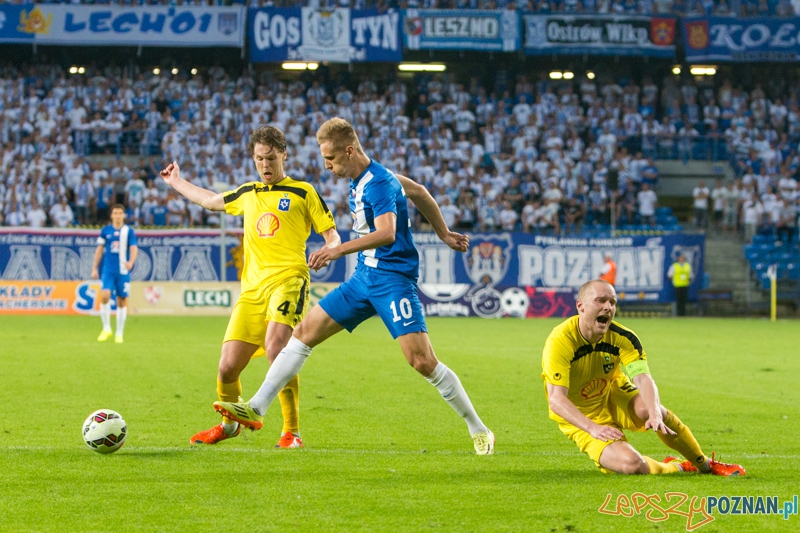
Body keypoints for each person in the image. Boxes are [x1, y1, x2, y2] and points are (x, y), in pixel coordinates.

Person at [213, 118, 495, 455]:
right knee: (302, 333)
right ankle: (257, 406)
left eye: (330, 159)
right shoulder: (366, 176)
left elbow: (387, 233)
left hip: (392, 281)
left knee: (421, 361)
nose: (327, 166)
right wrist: (444, 233)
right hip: (362, 280)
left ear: (349, 150)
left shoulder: (378, 183)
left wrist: (336, 250)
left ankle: (479, 429)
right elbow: (418, 191)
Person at [160, 125, 340, 448]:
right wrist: (176, 182)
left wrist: (330, 249)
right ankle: (230, 426)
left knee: (276, 348)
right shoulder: (247, 193)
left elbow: (331, 233)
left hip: (289, 281)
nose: (265, 166)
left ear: (284, 155)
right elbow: (210, 200)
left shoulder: (303, 192)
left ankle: (292, 432)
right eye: (259, 159)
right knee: (227, 367)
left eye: (270, 158)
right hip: (252, 292)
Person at [541, 279, 745, 476]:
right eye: (600, 300)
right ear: (580, 306)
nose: (608, 307)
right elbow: (556, 400)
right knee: (631, 464)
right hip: (582, 416)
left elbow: (642, 377)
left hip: (613, 393)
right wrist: (592, 428)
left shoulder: (623, 337)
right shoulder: (561, 340)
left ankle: (705, 465)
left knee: (651, 409)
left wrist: (655, 412)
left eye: (612, 302)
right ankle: (678, 467)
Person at [91, 204, 138, 343]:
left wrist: (131, 261)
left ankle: (119, 333)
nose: (118, 215)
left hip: (123, 271)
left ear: (123, 215)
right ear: (111, 215)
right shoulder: (106, 231)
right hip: (108, 270)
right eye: (115, 213)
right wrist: (94, 268)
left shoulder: (128, 231)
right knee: (105, 295)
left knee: (122, 301)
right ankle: (106, 328)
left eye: (120, 213)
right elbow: (99, 250)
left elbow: (134, 248)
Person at [667, 252, 692, 317]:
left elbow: (690, 275)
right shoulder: (674, 266)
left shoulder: (687, 266)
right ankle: (678, 314)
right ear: (678, 259)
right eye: (680, 258)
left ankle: (683, 314)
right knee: (678, 300)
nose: (681, 259)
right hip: (677, 285)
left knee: (684, 300)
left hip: (685, 285)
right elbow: (670, 275)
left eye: (682, 258)